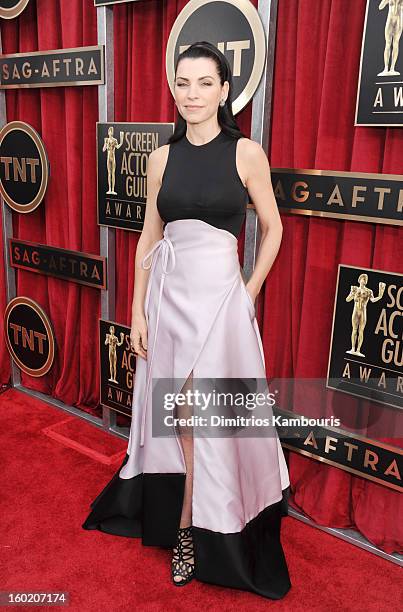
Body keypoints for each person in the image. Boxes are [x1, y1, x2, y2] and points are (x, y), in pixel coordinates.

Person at [82, 41, 291, 600]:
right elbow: (150, 240)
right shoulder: (161, 158)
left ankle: (191, 533)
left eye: (204, 83)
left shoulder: (246, 152)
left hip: (219, 308)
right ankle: (180, 513)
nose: (192, 93)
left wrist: (247, 292)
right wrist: (135, 313)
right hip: (168, 304)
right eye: (183, 82)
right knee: (174, 415)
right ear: (173, 88)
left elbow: (272, 228)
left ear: (225, 91)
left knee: (202, 421)